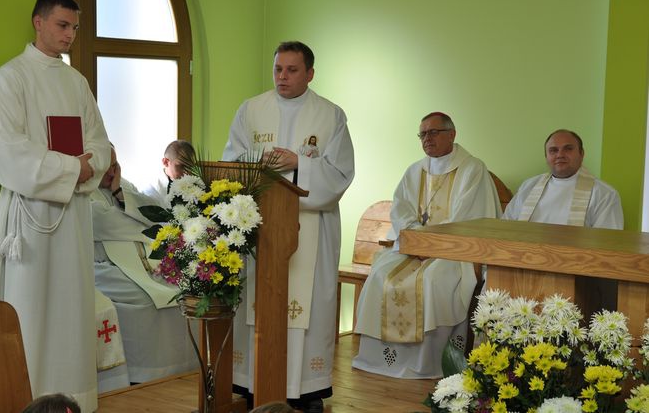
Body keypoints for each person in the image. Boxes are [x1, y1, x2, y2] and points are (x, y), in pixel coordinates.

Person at [222, 41, 354, 413]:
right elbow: (231, 158)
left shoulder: (330, 116)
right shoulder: (252, 109)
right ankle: (253, 386)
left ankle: (306, 390)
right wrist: (256, 162)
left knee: (308, 308)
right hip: (261, 228)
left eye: (292, 70)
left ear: (310, 73)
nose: (283, 76)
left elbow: (341, 174)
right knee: (258, 305)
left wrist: (299, 163)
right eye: (278, 69)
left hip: (311, 228)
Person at [0, 0, 111, 412]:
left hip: (72, 216)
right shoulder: (10, 78)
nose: (70, 35)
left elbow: (100, 142)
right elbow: (8, 150)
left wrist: (89, 165)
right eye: (63, 25)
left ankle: (71, 401)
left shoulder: (76, 81)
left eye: (75, 28)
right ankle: (26, 399)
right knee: (30, 311)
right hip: (29, 220)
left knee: (70, 309)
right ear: (38, 22)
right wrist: (72, 169)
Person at [352, 112, 501, 379]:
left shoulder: (471, 169)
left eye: (433, 132)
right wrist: (416, 240)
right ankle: (379, 359)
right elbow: (402, 210)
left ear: (452, 135)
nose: (427, 139)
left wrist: (431, 245)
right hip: (414, 248)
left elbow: (467, 218)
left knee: (432, 279)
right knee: (380, 274)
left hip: (454, 252)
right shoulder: (414, 171)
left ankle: (431, 361)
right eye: (423, 134)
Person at [91, 146, 198, 383]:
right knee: (144, 299)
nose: (111, 171)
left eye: (114, 164)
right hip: (105, 265)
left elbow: (155, 216)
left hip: (143, 263)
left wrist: (119, 192)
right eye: (106, 166)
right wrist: (138, 221)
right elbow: (105, 223)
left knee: (184, 293)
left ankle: (183, 369)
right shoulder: (83, 193)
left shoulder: (123, 185)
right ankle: (143, 373)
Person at [502, 129, 623, 310]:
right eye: (553, 150)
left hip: (576, 280)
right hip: (523, 272)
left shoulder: (604, 194)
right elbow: (506, 228)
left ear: (581, 154)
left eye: (568, 149)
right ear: (546, 156)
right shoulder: (529, 186)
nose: (560, 155)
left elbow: (608, 248)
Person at [143, 139, 197, 204]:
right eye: (182, 166)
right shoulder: (152, 190)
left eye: (190, 167)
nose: (187, 173)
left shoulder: (196, 185)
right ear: (165, 162)